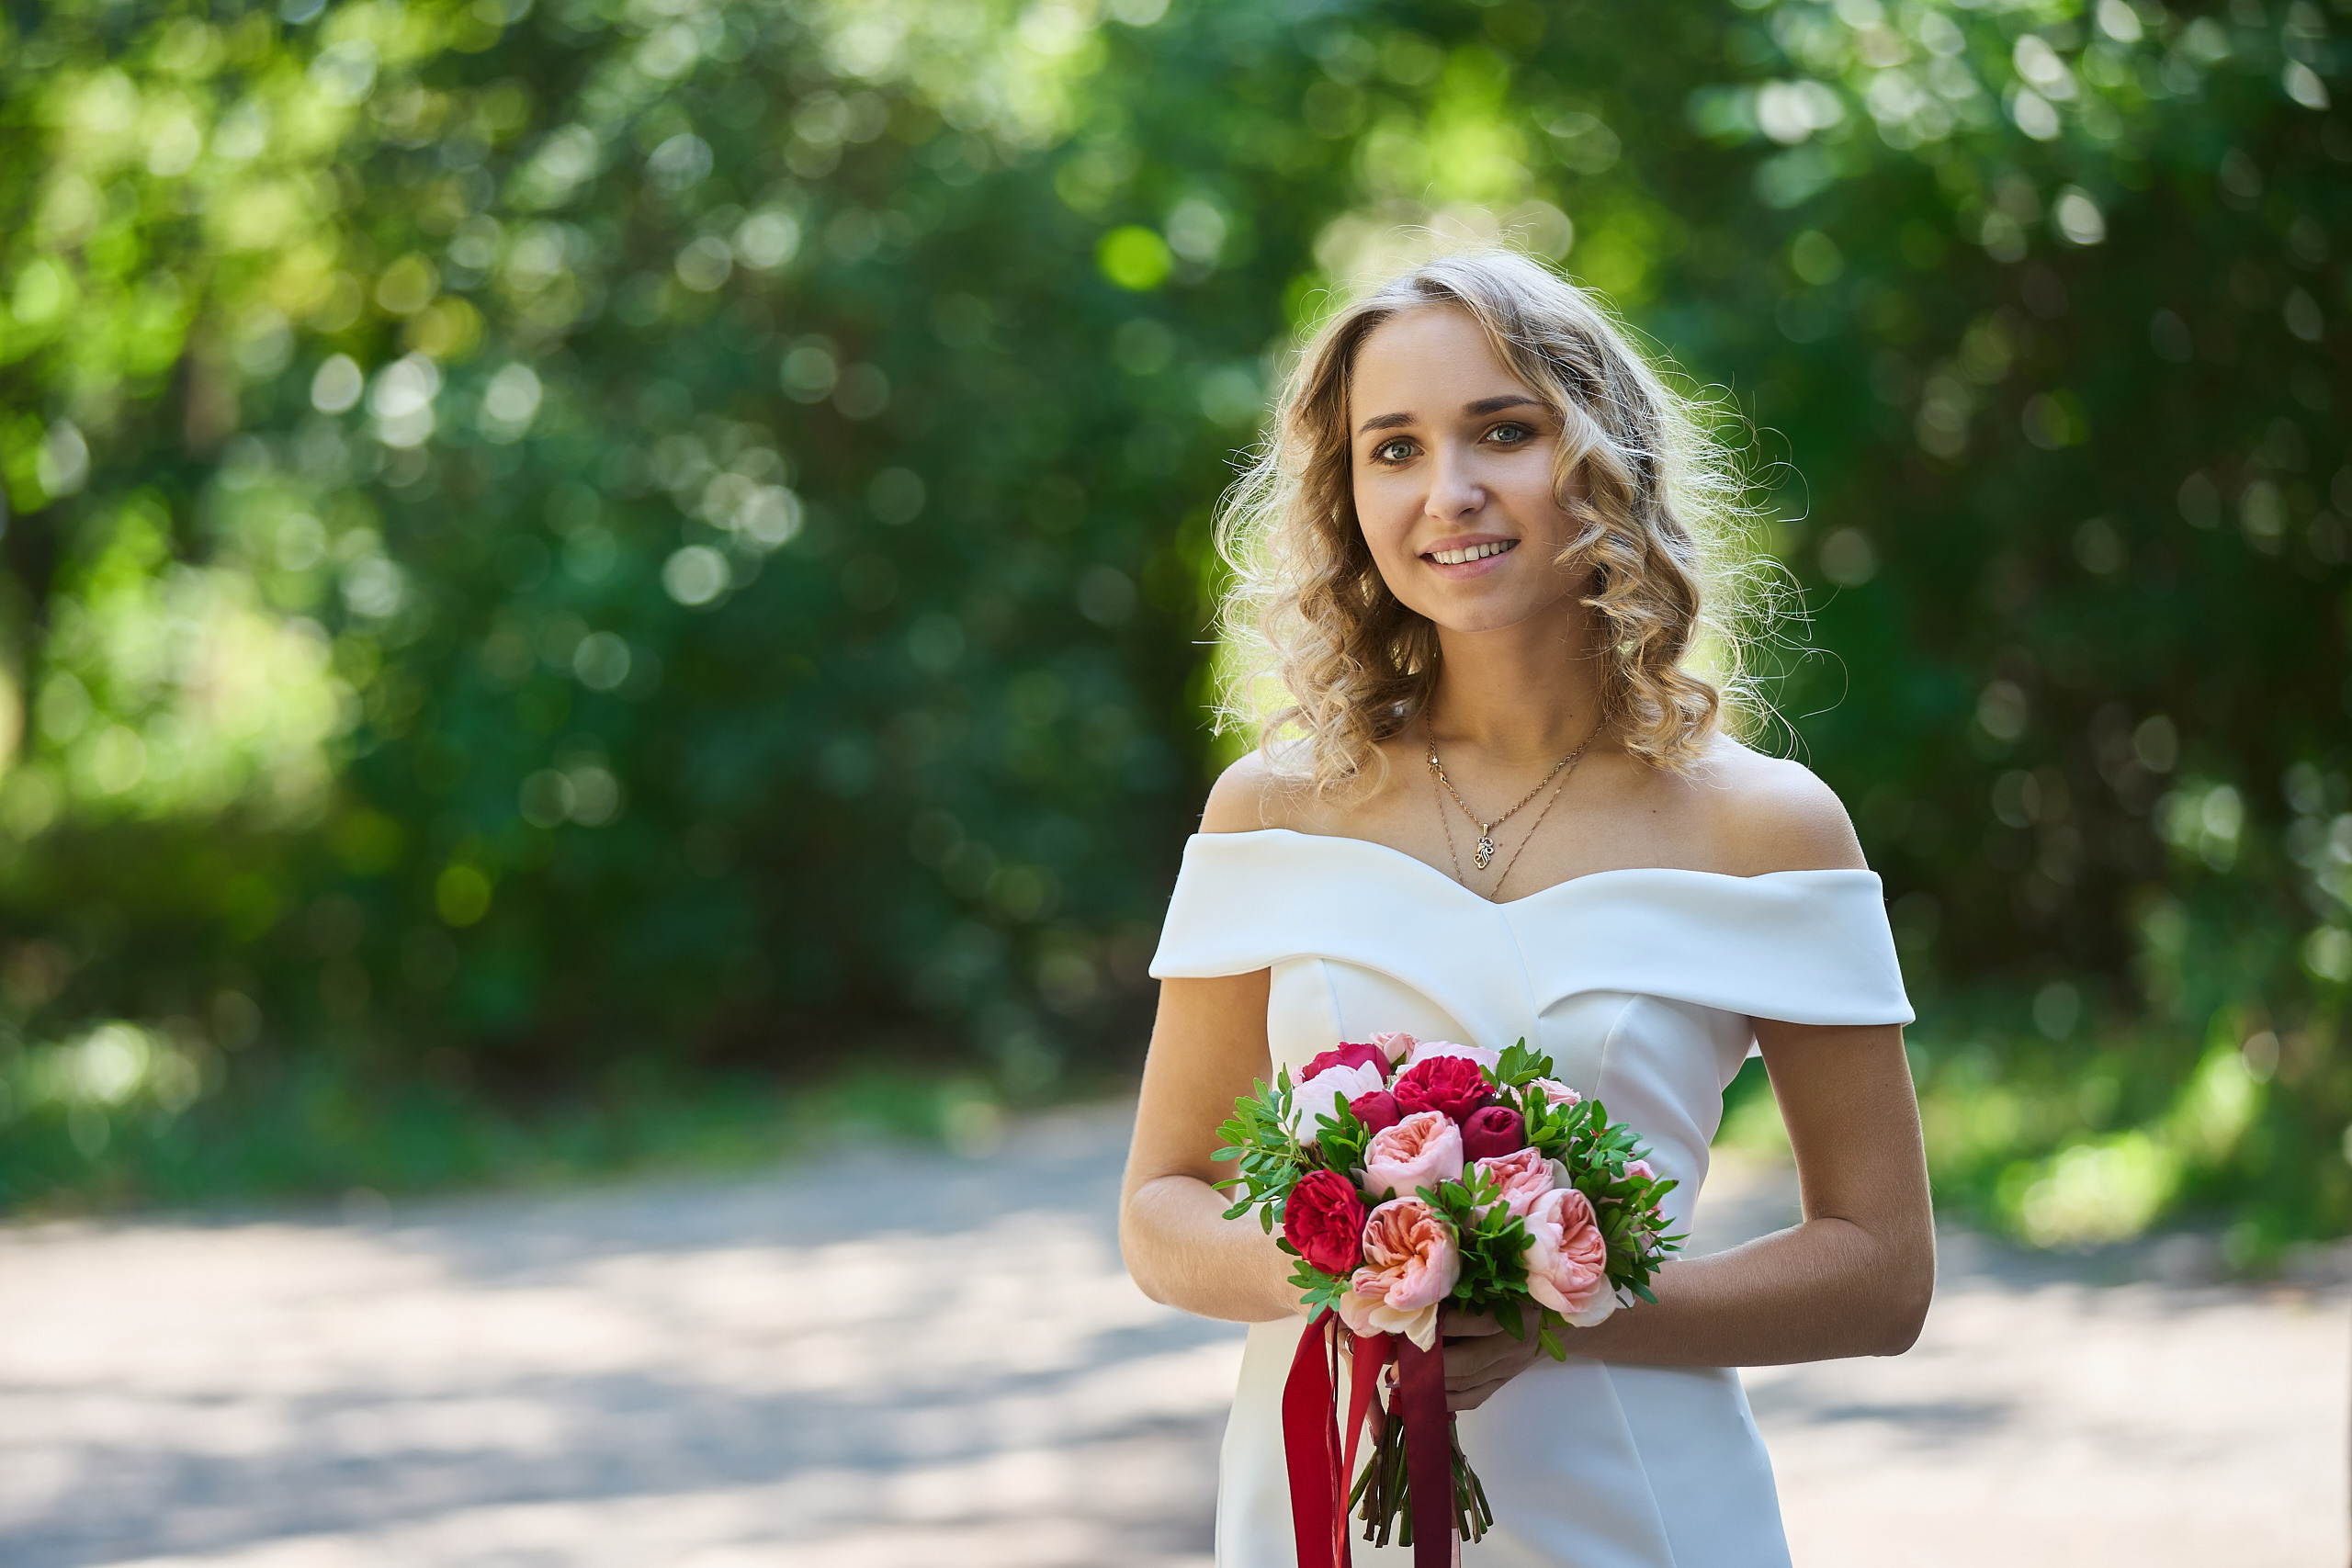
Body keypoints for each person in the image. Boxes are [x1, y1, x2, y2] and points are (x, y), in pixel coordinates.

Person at [1118, 249, 1934, 1566]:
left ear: (1604, 458)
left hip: (1640, 1513)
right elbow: (1161, 1207)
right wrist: (1364, 1273)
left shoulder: (1766, 828)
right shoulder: (1269, 810)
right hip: (1320, 1510)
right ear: (1347, 495)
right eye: (1394, 448)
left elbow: (1882, 1271)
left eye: (1504, 430)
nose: (1448, 491)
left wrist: (1574, 1308)